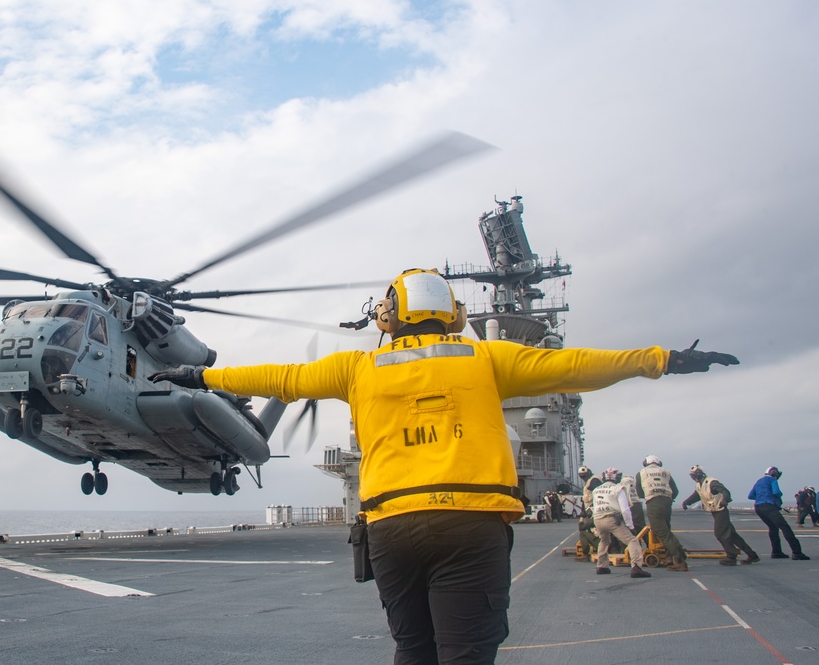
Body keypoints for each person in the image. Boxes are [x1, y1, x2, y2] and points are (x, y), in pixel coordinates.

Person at [150, 268, 738, 664]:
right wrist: (665, 359)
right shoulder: (487, 358)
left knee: (414, 651)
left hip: (389, 531)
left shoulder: (357, 368)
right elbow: (585, 365)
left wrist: (199, 375)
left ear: (388, 316)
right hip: (468, 528)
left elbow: (279, 377)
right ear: (452, 313)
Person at [682, 465, 760, 565]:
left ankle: (731, 557)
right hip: (715, 511)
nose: (693, 478)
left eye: (694, 475)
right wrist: (687, 502)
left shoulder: (711, 482)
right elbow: (697, 495)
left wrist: (725, 500)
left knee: (720, 534)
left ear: (699, 474)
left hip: (721, 511)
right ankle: (752, 555)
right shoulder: (699, 485)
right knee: (732, 535)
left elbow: (725, 491)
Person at [591, 468, 651, 578]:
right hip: (611, 518)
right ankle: (636, 567)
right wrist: (630, 526)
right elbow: (625, 510)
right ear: (617, 477)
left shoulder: (596, 490)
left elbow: (594, 507)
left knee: (604, 541)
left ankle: (602, 566)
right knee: (632, 540)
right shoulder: (618, 488)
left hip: (597, 519)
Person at [636, 455, 689, 572]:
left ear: (646, 463)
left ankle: (680, 559)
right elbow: (675, 491)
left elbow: (639, 493)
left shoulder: (642, 472)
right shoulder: (666, 472)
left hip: (653, 502)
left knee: (661, 531)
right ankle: (669, 558)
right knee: (666, 529)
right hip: (666, 502)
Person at [748, 467, 810, 560]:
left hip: (758, 507)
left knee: (773, 527)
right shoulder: (772, 480)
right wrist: (777, 495)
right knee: (785, 527)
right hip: (769, 506)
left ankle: (776, 551)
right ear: (774, 474)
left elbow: (751, 496)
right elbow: (776, 492)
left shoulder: (759, 481)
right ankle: (797, 552)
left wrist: (762, 496)